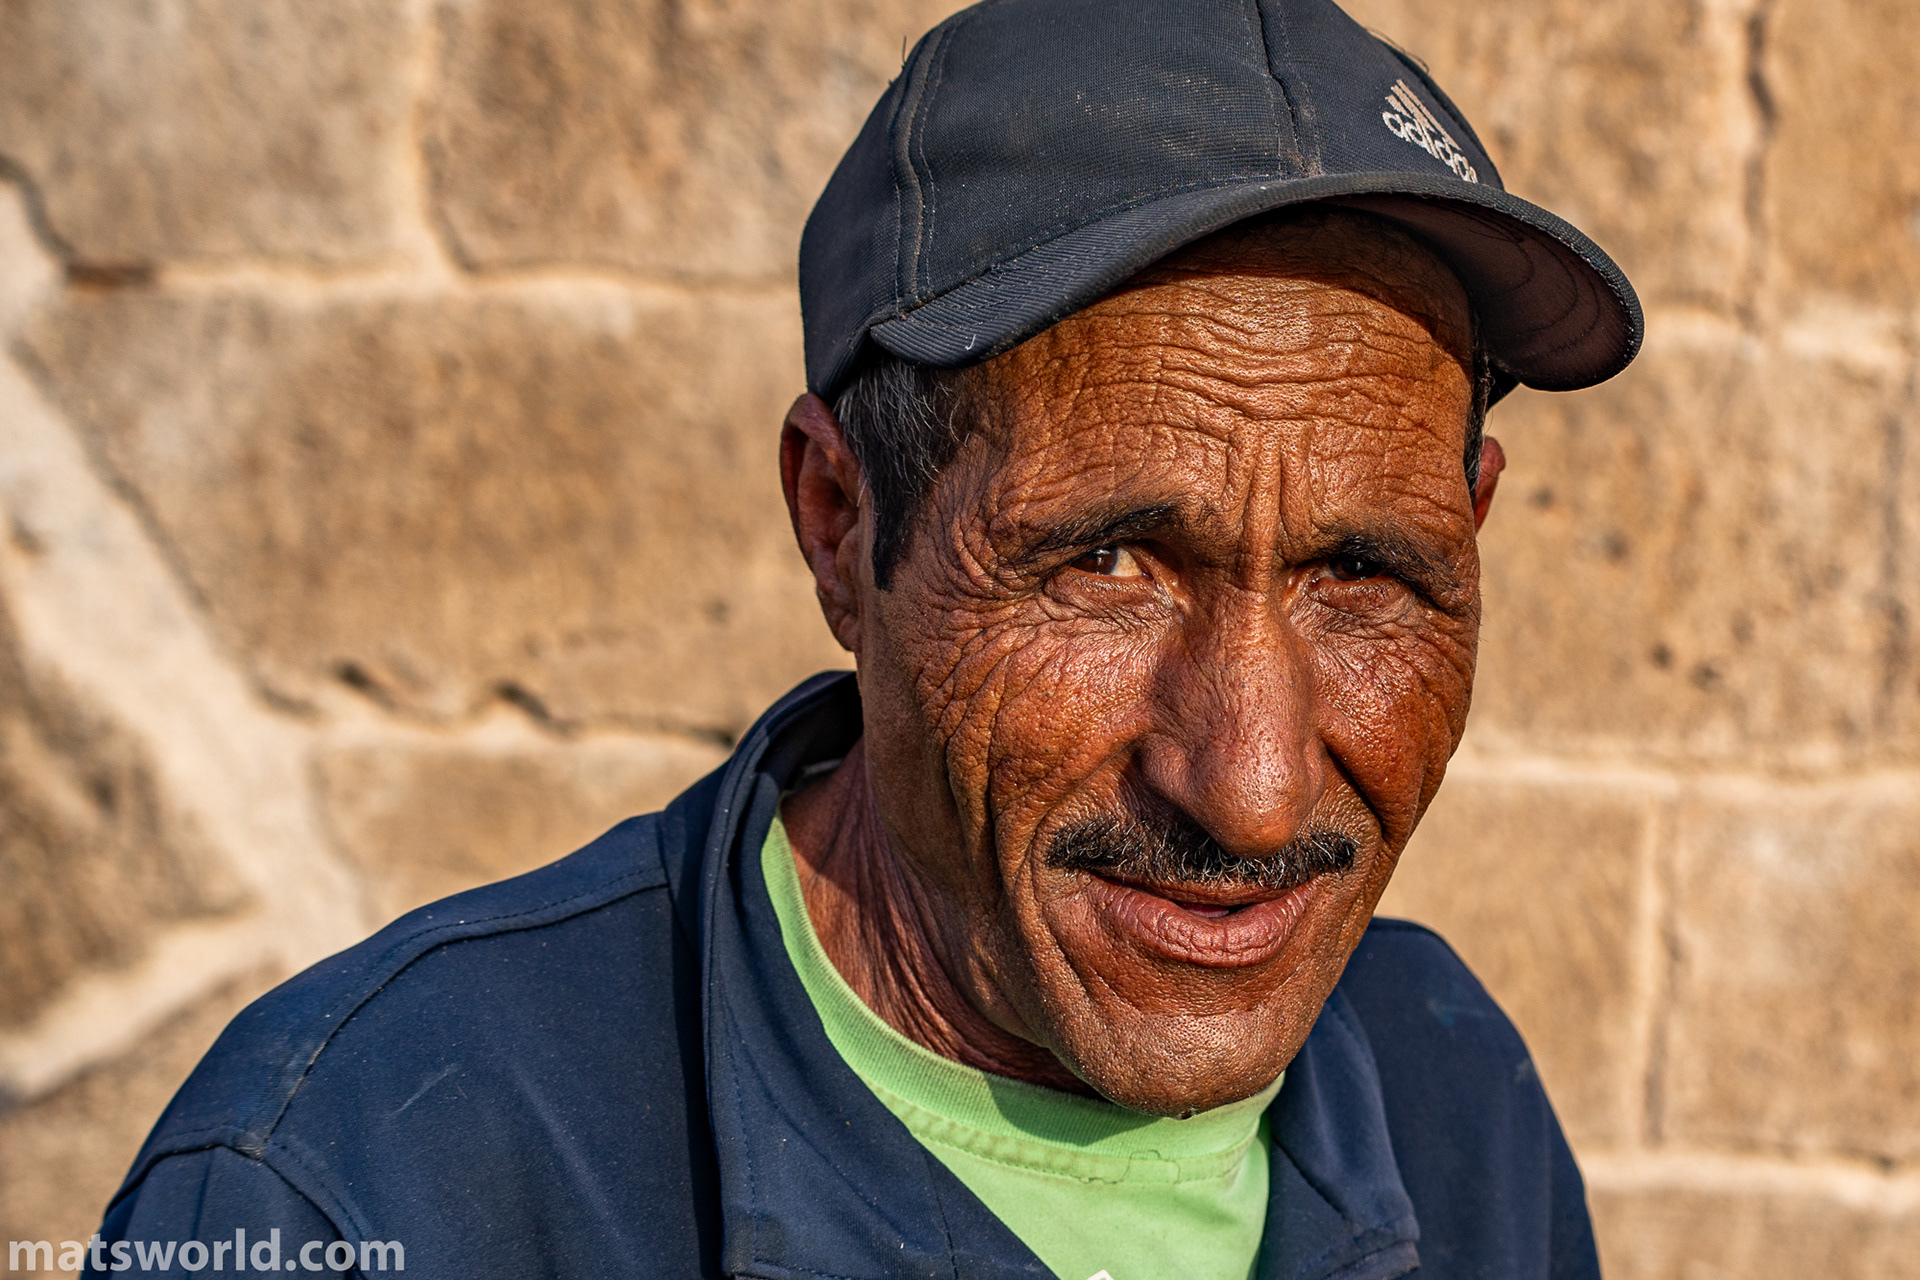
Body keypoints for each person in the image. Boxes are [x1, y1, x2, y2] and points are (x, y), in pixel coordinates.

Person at [89, 0, 1641, 1276]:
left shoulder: (1450, 1093)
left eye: (1363, 573)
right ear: (840, 520)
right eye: (1106, 563)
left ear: (1475, 530)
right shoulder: (355, 1179)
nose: (1246, 788)